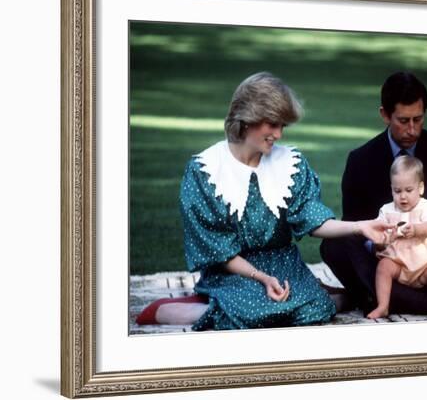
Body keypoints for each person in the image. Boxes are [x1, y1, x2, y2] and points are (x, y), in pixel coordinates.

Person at [136, 72, 390, 330]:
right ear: (248, 119)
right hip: (231, 269)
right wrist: (262, 278)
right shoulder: (206, 171)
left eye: (283, 126)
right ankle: (194, 309)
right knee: (254, 313)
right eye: (272, 124)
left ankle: (309, 293)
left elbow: (312, 219)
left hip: (282, 262)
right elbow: (218, 250)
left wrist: (360, 226)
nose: (278, 134)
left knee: (317, 309)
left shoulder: (290, 164)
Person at [321, 71, 427, 316]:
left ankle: (379, 298)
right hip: (387, 263)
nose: (412, 129)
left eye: (418, 119)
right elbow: (354, 225)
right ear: (385, 115)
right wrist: (374, 245)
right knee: (333, 246)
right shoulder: (360, 160)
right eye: (403, 121)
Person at [367, 155, 427, 319]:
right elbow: (378, 229)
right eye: (397, 191)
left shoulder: (426, 206)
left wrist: (416, 230)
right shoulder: (387, 210)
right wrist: (384, 237)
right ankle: (383, 305)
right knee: (383, 266)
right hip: (398, 263)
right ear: (391, 189)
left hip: (424, 264)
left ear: (421, 188)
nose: (403, 196)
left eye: (408, 190)